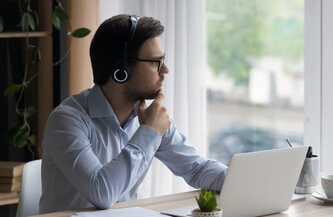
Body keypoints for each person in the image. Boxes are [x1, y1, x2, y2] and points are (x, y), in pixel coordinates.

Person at [39, 14, 227, 214]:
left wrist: (250, 181)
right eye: (156, 62)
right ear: (121, 70)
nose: (165, 70)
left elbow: (197, 169)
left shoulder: (149, 118)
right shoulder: (67, 120)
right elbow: (101, 193)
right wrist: (148, 132)